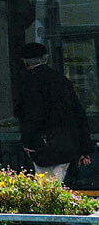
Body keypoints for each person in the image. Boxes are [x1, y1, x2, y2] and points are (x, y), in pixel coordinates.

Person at [15, 43, 92, 183]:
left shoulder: (28, 82)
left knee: (45, 188)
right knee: (57, 185)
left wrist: (26, 141)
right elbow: (79, 114)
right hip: (66, 145)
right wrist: (85, 148)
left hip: (41, 146)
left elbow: (32, 115)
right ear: (46, 58)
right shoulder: (62, 80)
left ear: (25, 62)